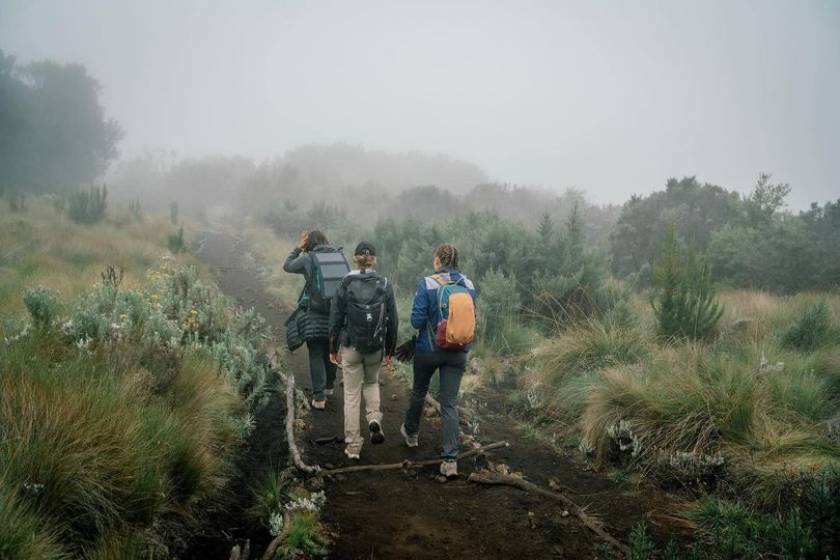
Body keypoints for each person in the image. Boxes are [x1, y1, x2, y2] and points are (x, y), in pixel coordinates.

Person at [401, 243, 477, 479]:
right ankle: (450, 460)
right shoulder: (469, 285)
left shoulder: (427, 283)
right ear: (457, 261)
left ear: (437, 261)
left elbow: (416, 321)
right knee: (450, 404)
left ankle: (411, 434)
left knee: (419, 391)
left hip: (428, 349)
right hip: (458, 351)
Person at [329, 241, 398, 460]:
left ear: (355, 258)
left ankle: (353, 447)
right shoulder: (385, 284)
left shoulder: (345, 282)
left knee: (350, 394)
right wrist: (390, 350)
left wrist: (333, 348)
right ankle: (374, 418)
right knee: (371, 382)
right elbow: (393, 321)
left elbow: (336, 317)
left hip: (351, 345)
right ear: (374, 259)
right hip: (375, 347)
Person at [283, 230, 345, 410]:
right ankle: (329, 387)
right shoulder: (338, 257)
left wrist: (298, 247)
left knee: (316, 351)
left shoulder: (308, 258)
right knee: (331, 349)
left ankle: (319, 398)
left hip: (315, 314)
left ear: (309, 243)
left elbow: (287, 266)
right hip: (335, 314)